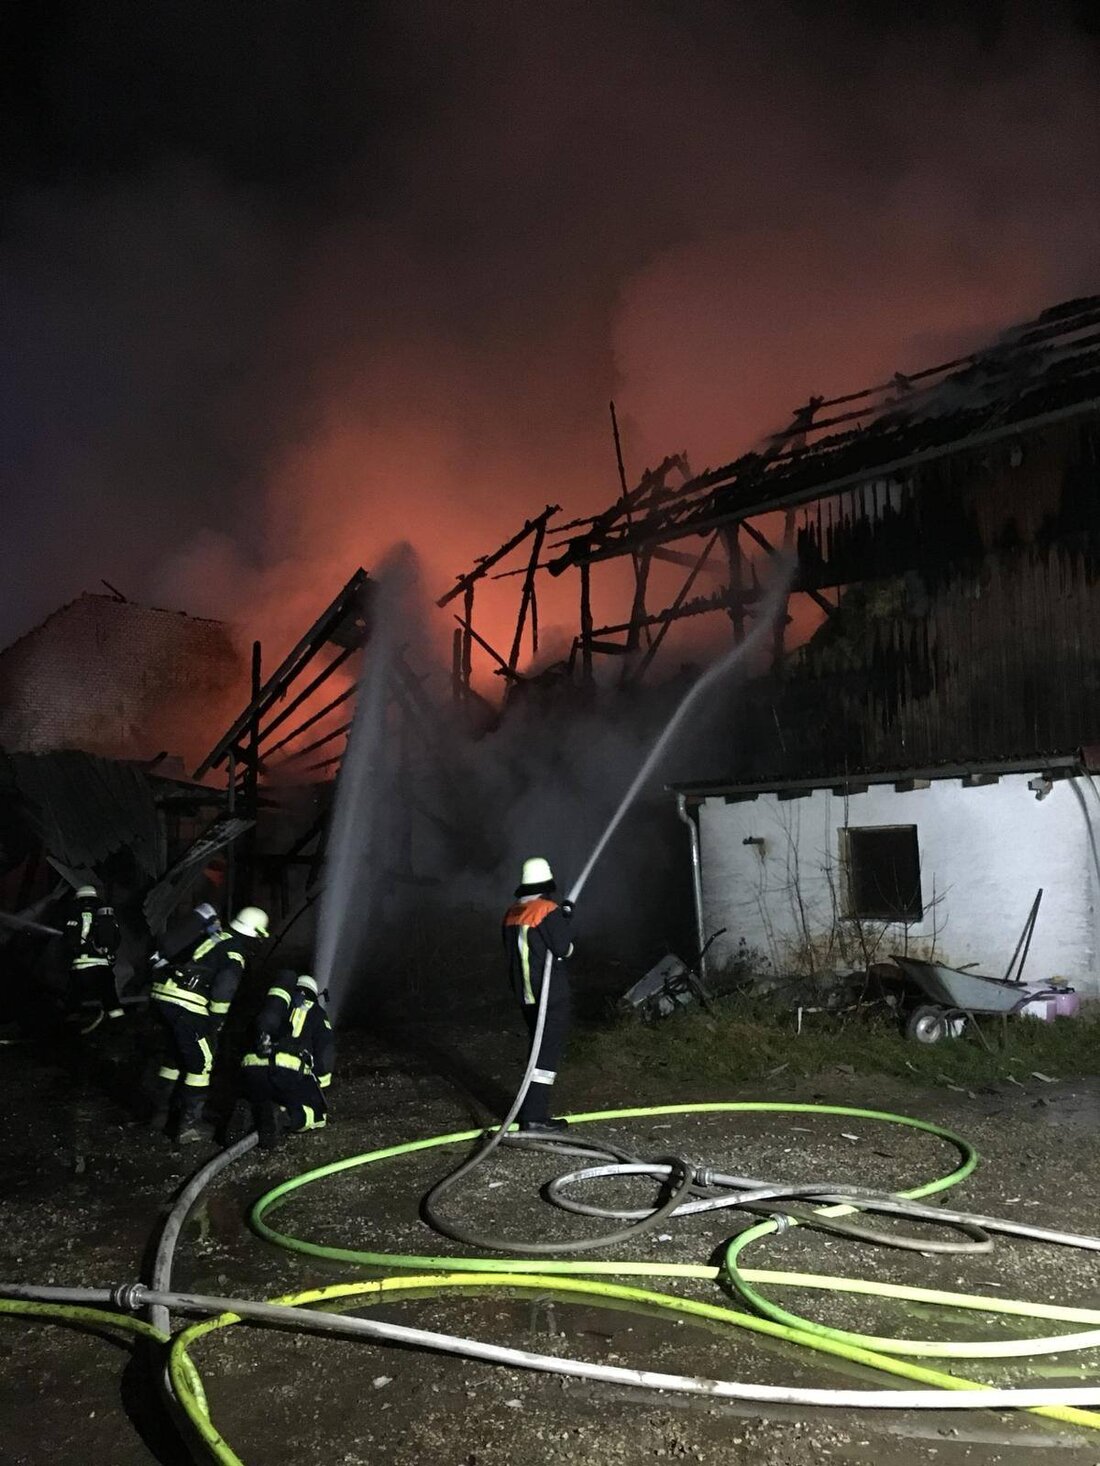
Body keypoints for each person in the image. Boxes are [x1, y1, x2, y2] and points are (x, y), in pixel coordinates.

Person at [147, 905, 269, 1141]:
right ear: (255, 933)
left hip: (164, 996)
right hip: (187, 1003)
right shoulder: (235, 953)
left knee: (175, 1057)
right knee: (202, 1062)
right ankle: (188, 1126)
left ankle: (160, 1114)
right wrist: (216, 1021)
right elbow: (225, 989)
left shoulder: (217, 937)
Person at [502, 857, 574, 1134]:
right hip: (550, 995)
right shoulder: (547, 909)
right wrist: (564, 919)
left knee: (537, 1050)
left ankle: (529, 1109)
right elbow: (563, 948)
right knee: (545, 1057)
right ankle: (534, 1117)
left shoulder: (512, 913)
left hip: (526, 994)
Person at [239, 973, 334, 1149]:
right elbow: (325, 1051)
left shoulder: (274, 1005)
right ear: (314, 993)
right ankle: (285, 1116)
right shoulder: (316, 1012)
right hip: (288, 1070)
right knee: (317, 1115)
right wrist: (322, 1085)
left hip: (252, 1067)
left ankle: (249, 1112)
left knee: (263, 1095)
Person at [63, 884, 123, 1027]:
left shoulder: (75, 912)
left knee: (73, 998)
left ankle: (71, 1030)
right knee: (110, 996)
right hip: (103, 965)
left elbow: (69, 939)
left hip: (81, 965)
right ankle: (119, 1025)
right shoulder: (105, 915)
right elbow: (117, 939)